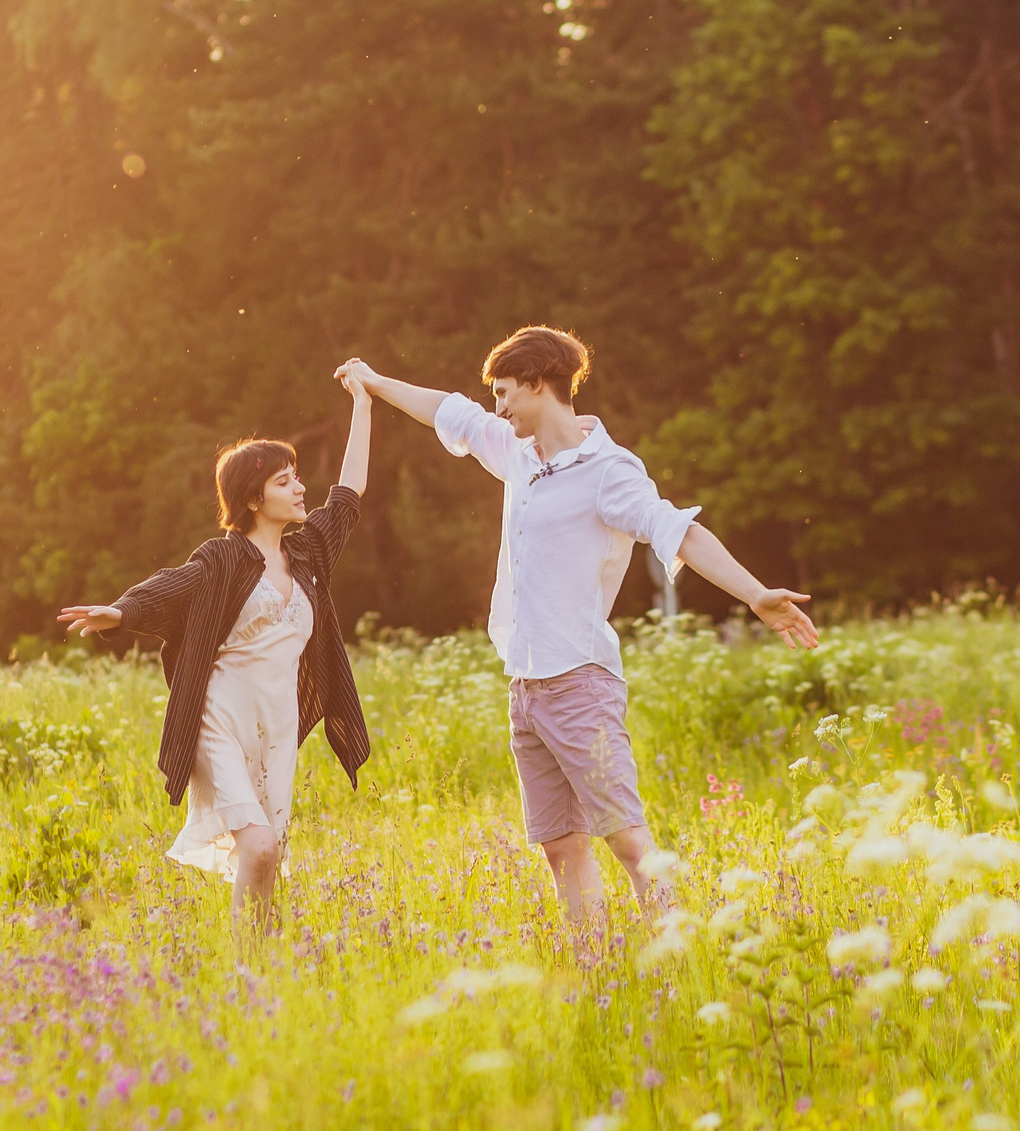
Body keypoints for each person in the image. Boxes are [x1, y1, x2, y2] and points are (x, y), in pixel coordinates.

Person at [334, 327, 818, 934]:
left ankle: (681, 952)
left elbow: (679, 532)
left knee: (628, 841)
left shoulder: (608, 471)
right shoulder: (518, 453)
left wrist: (755, 594)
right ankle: (596, 966)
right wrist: (374, 383)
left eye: (505, 392)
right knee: (561, 846)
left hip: (580, 682)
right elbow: (446, 412)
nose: (498, 406)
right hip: (526, 687)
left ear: (541, 384)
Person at [57, 371, 376, 932]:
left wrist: (364, 404)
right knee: (256, 845)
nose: (300, 489)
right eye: (285, 482)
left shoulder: (308, 554)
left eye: (297, 478)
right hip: (220, 719)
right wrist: (121, 612)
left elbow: (347, 497)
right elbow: (172, 585)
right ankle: (245, 969)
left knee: (269, 852)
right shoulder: (223, 560)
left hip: (276, 725)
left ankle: (256, 968)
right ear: (254, 499)